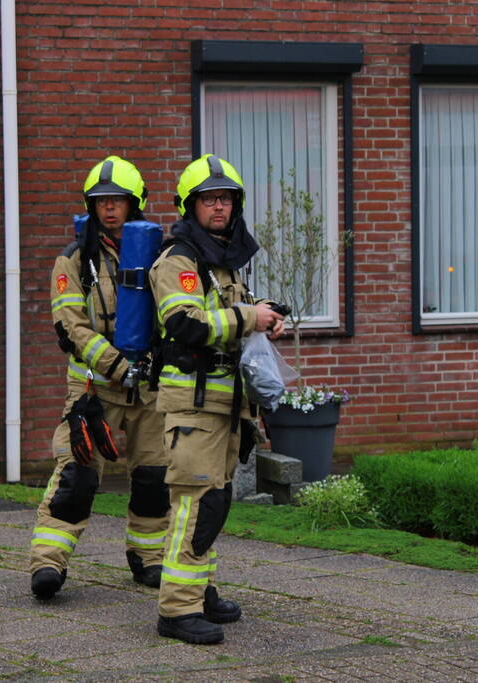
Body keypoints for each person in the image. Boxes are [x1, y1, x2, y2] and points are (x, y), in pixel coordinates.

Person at [148, 154, 285, 644]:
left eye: (226, 198)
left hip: (224, 407)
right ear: (192, 206)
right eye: (209, 199)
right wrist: (250, 318)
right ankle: (177, 610)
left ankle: (197, 589)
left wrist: (263, 318)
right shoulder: (179, 261)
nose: (219, 207)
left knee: (215, 500)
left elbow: (231, 321)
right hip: (192, 407)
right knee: (196, 503)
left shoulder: (221, 263)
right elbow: (185, 323)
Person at [29, 156, 170, 599]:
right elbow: (71, 327)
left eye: (119, 201)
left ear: (136, 205)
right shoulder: (73, 261)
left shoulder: (160, 255)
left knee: (153, 477)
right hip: (95, 390)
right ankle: (48, 564)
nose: (110, 209)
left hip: (148, 389)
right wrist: (116, 364)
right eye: (102, 201)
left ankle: (149, 559)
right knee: (77, 476)